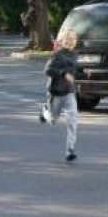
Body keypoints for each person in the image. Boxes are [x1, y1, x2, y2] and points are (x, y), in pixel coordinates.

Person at [42, 29, 79, 161]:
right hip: (56, 93)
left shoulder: (74, 54)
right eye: (68, 39)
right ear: (62, 41)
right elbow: (48, 71)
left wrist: (84, 71)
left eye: (73, 39)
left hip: (69, 92)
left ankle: (70, 150)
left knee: (72, 121)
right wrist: (63, 74)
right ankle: (45, 112)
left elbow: (74, 69)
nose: (70, 41)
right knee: (53, 120)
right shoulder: (57, 55)